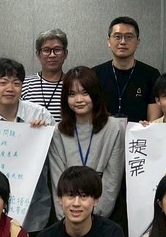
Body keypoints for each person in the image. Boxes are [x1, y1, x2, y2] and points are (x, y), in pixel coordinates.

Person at [0, 58, 55, 235]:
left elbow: (55, 154)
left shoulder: (39, 114)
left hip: (34, 205)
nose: (10, 88)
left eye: (16, 83)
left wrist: (42, 133)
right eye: (3, 82)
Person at [47, 67, 125, 220]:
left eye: (85, 93)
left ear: (95, 94)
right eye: (72, 94)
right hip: (67, 218)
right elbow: (57, 180)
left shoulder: (114, 128)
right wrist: (67, 217)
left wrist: (93, 218)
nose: (79, 100)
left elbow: (112, 181)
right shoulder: (58, 131)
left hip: (102, 217)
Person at [92, 16, 160, 122]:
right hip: (102, 132)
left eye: (129, 37)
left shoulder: (151, 75)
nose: (123, 42)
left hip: (139, 132)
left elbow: (153, 121)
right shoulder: (94, 74)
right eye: (117, 37)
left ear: (137, 42)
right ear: (109, 41)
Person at [20, 29, 68, 121]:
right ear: (38, 55)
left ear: (65, 54)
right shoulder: (24, 84)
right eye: (46, 50)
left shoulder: (73, 85)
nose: (52, 55)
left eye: (57, 50)